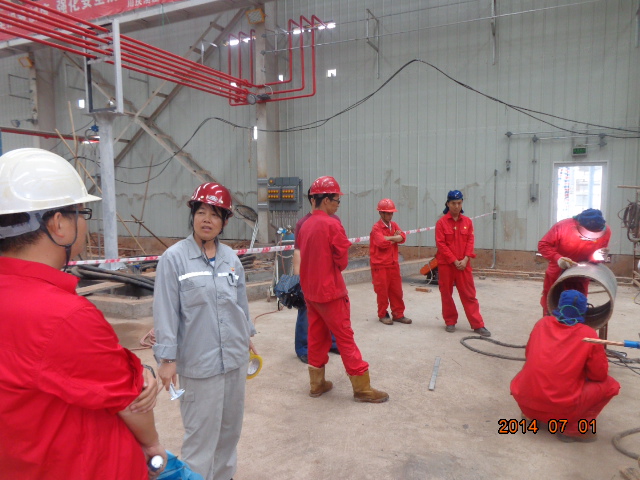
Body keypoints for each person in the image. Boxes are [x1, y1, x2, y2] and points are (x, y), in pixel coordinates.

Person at [0, 148, 166, 479]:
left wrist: (138, 368)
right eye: (81, 212)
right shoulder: (63, 316)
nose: (84, 223)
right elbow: (129, 401)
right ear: (58, 224)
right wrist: (152, 444)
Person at [153, 182, 257, 480]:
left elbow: (239, 303)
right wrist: (167, 359)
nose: (207, 219)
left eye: (214, 214)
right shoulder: (174, 258)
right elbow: (165, 310)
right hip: (199, 365)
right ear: (193, 216)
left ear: (224, 221)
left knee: (229, 432)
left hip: (234, 360)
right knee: (200, 436)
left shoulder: (231, 259)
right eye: (201, 212)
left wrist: (247, 335)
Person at [297, 175, 388, 403]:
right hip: (331, 292)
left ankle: (316, 384)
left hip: (311, 292)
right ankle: (362, 388)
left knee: (316, 337)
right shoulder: (332, 224)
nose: (338, 204)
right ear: (326, 200)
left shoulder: (305, 224)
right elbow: (342, 261)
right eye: (337, 200)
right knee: (345, 337)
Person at [510, 290, 620, 442]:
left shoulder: (542, 324)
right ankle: (573, 430)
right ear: (584, 310)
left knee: (532, 371)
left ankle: (530, 415)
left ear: (559, 306)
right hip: (560, 409)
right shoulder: (589, 335)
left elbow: (529, 355)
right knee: (611, 386)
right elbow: (598, 375)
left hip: (525, 401)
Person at [435, 190, 491, 337]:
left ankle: (478, 324)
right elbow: (441, 244)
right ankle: (450, 321)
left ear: (462, 203)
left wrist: (465, 259)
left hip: (464, 264)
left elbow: (470, 242)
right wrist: (454, 260)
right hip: (447, 265)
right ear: (448, 204)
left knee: (469, 295)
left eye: (459, 203)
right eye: (453, 203)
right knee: (446, 294)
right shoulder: (441, 223)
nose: (456, 206)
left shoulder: (467, 222)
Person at [293, 188, 339, 363]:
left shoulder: (335, 220)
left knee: (332, 311)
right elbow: (298, 251)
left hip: (329, 277)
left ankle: (332, 342)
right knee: (306, 312)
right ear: (313, 199)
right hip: (310, 278)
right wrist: (298, 278)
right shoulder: (303, 223)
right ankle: (303, 348)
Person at [538, 208, 611, 315]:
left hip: (581, 275)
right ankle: (549, 322)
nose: (591, 238)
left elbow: (597, 256)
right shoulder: (563, 227)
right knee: (551, 304)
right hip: (557, 273)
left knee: (577, 304)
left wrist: (599, 257)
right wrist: (558, 258)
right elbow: (543, 245)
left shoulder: (605, 231)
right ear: (579, 226)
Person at [369, 198, 412, 325]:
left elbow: (403, 237)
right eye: (387, 213)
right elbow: (381, 243)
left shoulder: (394, 225)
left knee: (396, 291)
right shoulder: (376, 228)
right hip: (380, 265)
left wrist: (390, 238)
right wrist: (395, 238)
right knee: (382, 292)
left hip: (393, 264)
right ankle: (383, 314)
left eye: (391, 213)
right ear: (381, 213)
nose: (390, 215)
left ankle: (398, 314)